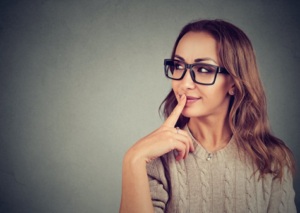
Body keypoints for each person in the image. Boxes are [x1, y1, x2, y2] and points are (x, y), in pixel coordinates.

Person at [119, 19, 296, 213]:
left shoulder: (272, 159)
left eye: (203, 69)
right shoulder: (155, 159)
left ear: (234, 83)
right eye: (178, 66)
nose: (184, 83)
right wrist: (133, 159)